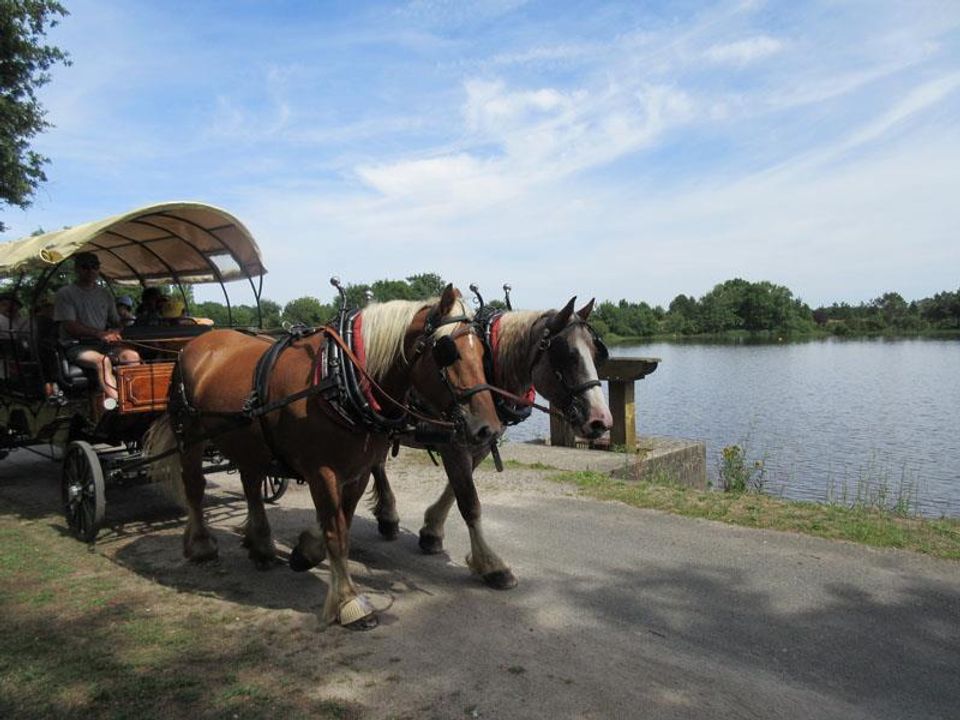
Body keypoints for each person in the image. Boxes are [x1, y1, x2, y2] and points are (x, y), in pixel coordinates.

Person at [53, 252, 140, 407]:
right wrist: (100, 333)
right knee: (103, 361)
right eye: (86, 267)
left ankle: (138, 397)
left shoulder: (104, 294)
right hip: (77, 346)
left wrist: (119, 328)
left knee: (132, 356)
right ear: (77, 269)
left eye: (94, 267)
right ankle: (120, 404)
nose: (91, 270)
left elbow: (115, 321)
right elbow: (70, 326)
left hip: (102, 345)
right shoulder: (65, 294)